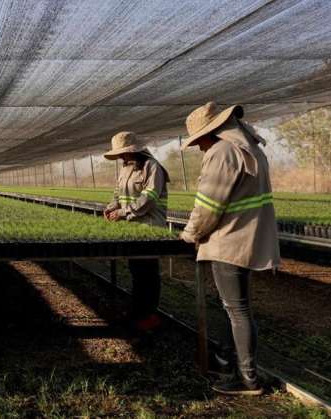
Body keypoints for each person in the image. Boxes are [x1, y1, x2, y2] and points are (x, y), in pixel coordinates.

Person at [179, 102, 280, 396]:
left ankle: (247, 379)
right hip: (248, 238)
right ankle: (230, 366)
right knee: (237, 309)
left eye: (200, 141)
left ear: (213, 132)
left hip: (229, 240)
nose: (199, 148)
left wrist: (190, 235)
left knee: (237, 310)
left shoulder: (222, 152)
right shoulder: (249, 148)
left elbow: (209, 206)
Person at [103, 131, 170, 332]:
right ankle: (138, 312)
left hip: (150, 228)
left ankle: (149, 316)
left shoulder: (152, 167)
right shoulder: (125, 168)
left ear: (135, 150)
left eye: (124, 153)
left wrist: (123, 212)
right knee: (136, 271)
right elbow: (118, 193)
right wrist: (111, 207)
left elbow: (148, 199)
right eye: (120, 154)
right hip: (132, 228)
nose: (121, 157)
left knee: (148, 272)